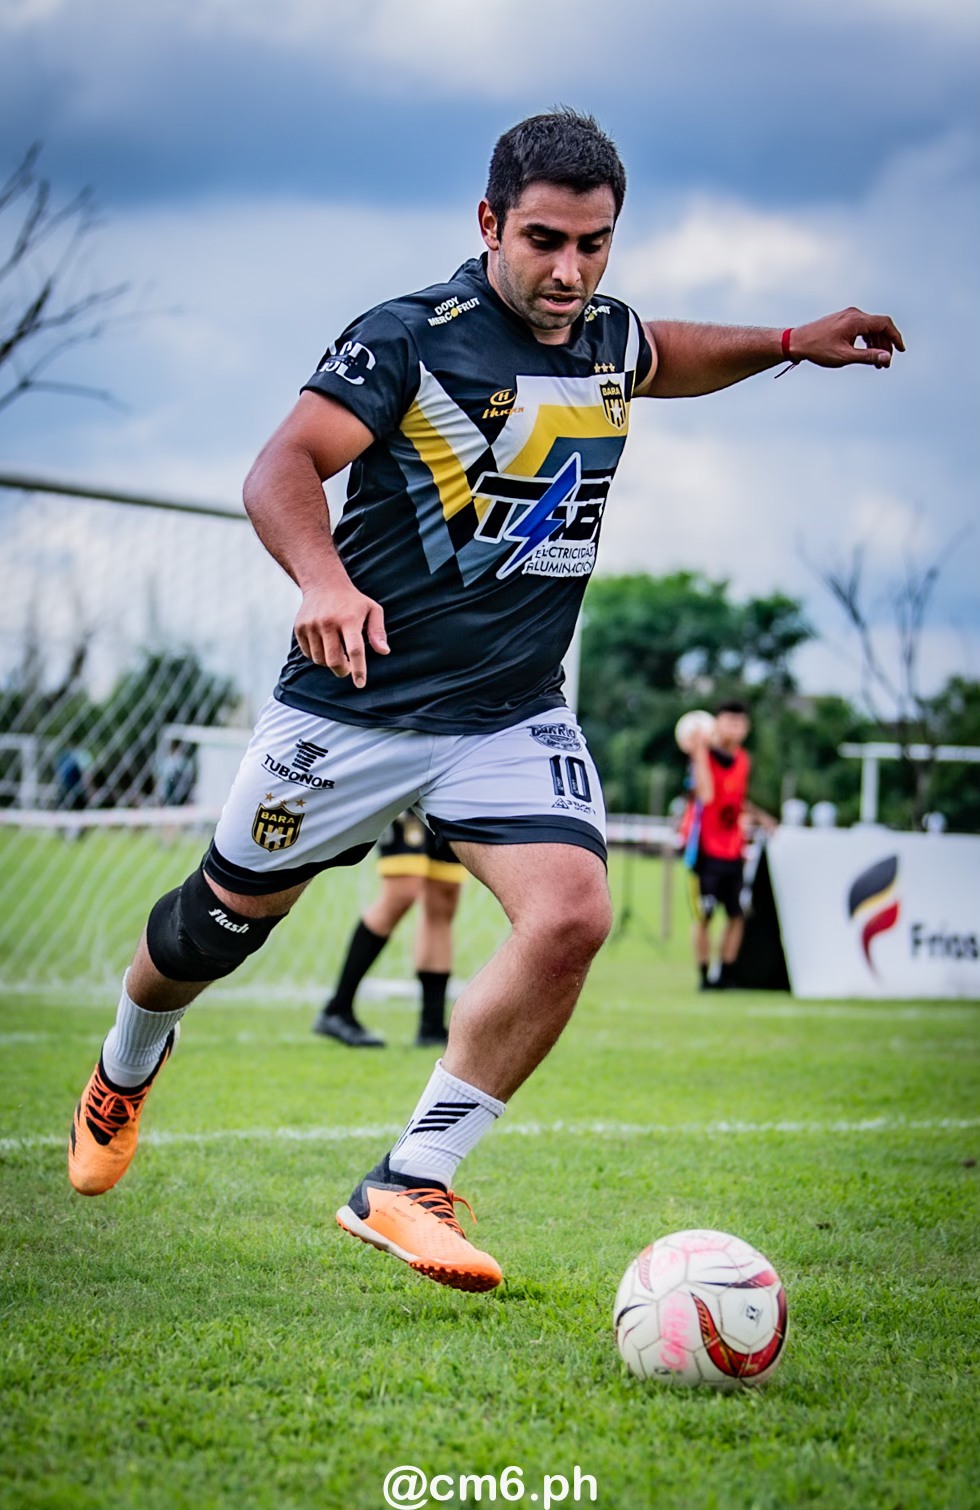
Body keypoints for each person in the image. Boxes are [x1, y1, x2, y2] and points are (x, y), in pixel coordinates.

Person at [67, 108, 903, 1293]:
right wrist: (322, 578)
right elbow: (278, 466)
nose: (570, 272)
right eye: (545, 241)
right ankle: (127, 1059)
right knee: (213, 928)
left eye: (595, 244)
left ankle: (409, 1180)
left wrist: (783, 339)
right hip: (350, 708)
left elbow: (661, 351)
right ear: (488, 224)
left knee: (571, 914)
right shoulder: (410, 336)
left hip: (508, 713)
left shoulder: (604, 333)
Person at [312, 812, 466, 1048]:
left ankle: (432, 1027)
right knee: (402, 892)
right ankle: (337, 1009)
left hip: (448, 790)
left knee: (443, 897)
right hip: (408, 790)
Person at [680, 699, 777, 990]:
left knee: (737, 916)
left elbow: (734, 800)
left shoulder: (743, 760)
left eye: (740, 722)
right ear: (716, 723)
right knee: (705, 916)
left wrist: (762, 817)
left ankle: (726, 974)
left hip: (733, 850)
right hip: (705, 851)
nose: (735, 727)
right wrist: (698, 752)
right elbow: (707, 795)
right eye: (729, 721)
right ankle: (703, 976)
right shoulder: (702, 757)